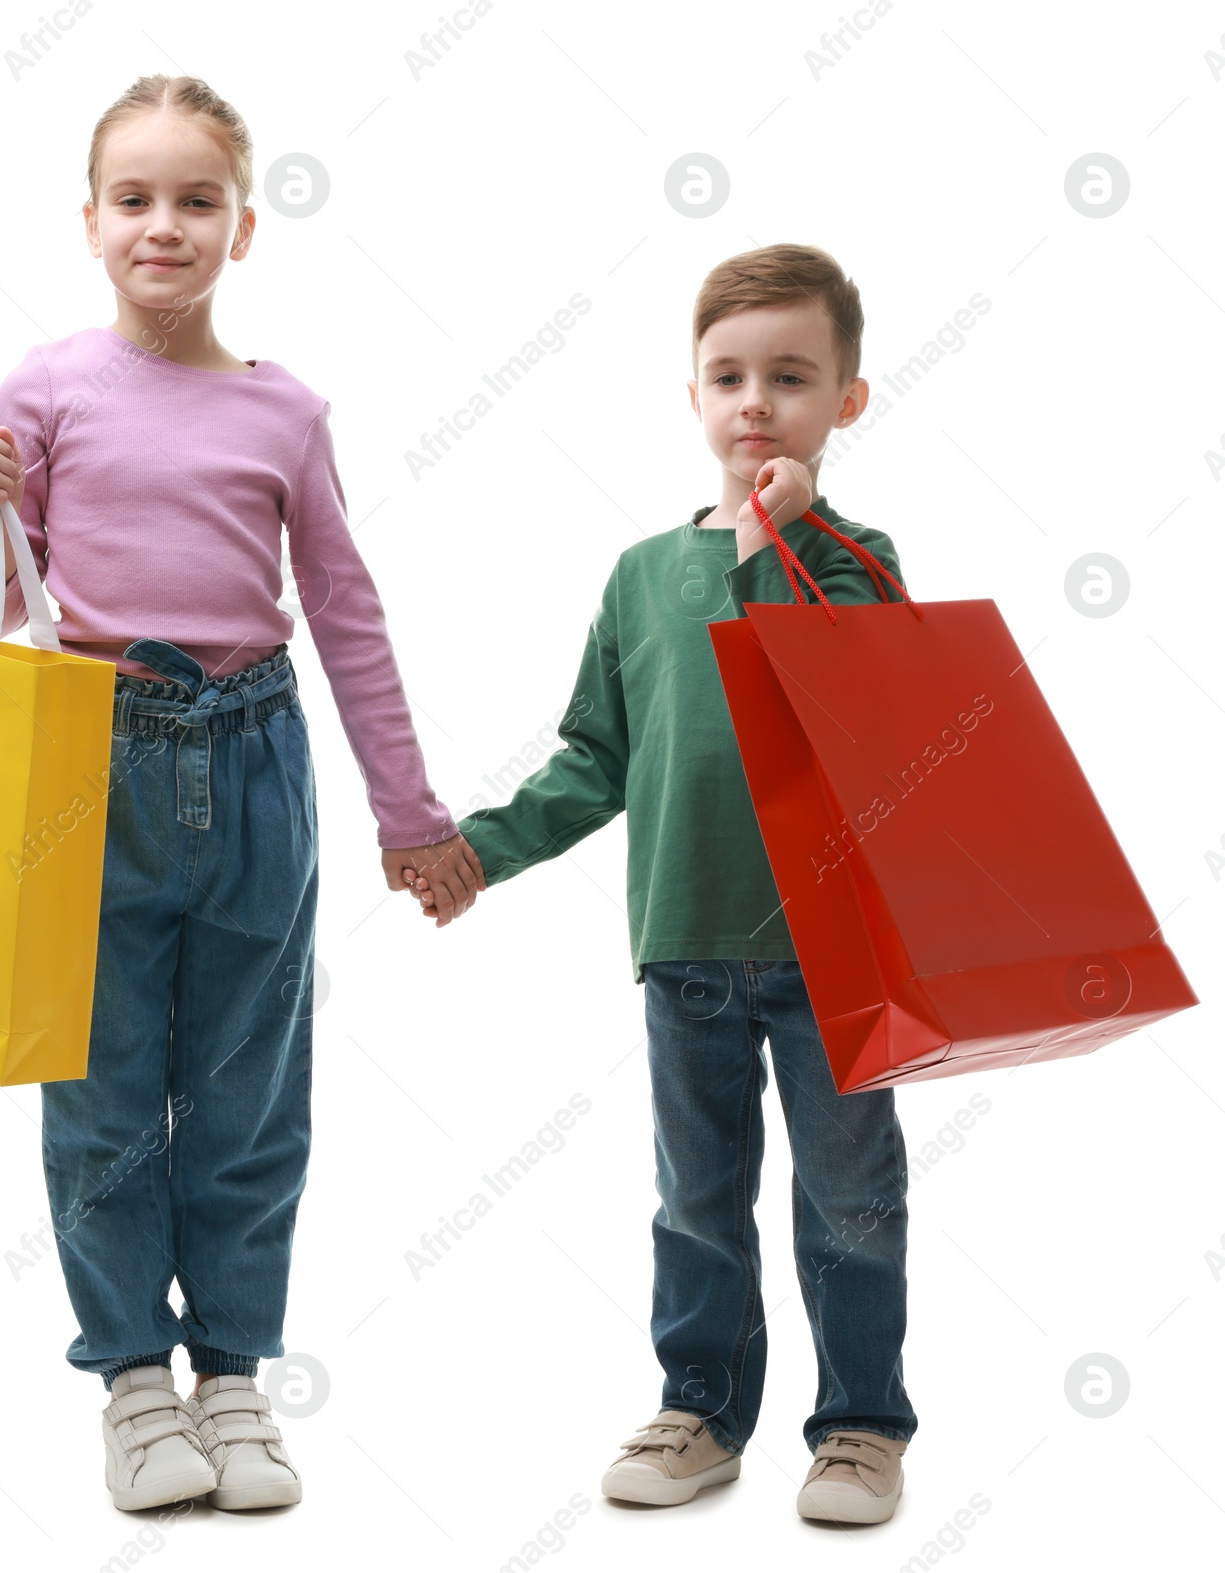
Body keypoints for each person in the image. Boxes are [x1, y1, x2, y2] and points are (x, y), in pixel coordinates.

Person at [0, 73, 484, 1513]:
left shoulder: (288, 413)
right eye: (136, 199)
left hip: (254, 761)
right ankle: (134, 1380)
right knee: (103, 1079)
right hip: (92, 763)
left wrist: (412, 813)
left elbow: (348, 613)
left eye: (199, 201)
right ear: (90, 222)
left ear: (245, 228)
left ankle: (233, 1374)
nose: (165, 225)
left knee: (248, 1085)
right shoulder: (44, 389)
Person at [412, 243, 918, 1523]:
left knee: (849, 1192)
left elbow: (854, 687)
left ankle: (859, 1425)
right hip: (685, 942)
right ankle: (700, 1403)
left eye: (792, 377)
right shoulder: (642, 572)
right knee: (697, 1198)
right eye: (730, 376)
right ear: (692, 396)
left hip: (835, 948)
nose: (758, 402)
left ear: (845, 401)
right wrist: (485, 846)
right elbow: (599, 755)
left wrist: (780, 535)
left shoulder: (854, 557)